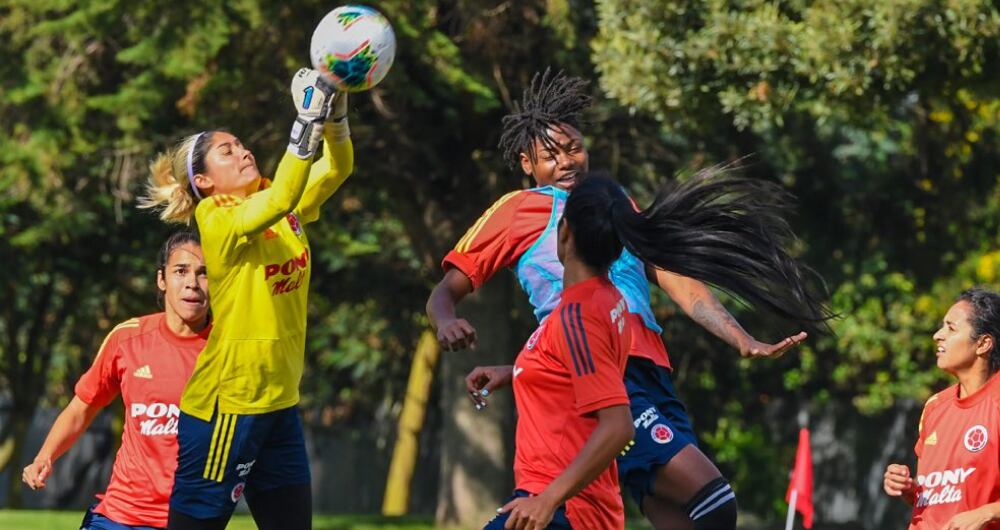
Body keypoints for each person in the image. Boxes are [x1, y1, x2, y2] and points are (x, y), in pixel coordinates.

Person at [427, 69, 830, 530]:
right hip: (607, 373)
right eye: (550, 155)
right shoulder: (515, 211)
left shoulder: (615, 203)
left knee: (681, 515)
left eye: (574, 148)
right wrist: (446, 321)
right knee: (713, 501)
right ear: (526, 164)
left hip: (651, 370)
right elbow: (447, 290)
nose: (566, 162)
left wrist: (739, 337)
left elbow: (676, 278)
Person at [139, 68, 353, 530]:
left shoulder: (279, 197)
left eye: (241, 144)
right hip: (229, 408)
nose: (243, 151)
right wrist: (306, 119)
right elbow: (281, 199)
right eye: (227, 150)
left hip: (279, 403)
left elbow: (337, 168)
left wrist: (335, 116)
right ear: (205, 181)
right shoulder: (214, 216)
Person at [471, 176, 637, 529]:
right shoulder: (607, 299)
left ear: (564, 232)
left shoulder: (578, 316)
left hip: (562, 509)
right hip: (565, 504)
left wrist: (549, 499)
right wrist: (518, 371)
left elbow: (618, 426)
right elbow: (574, 372)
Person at [21, 231, 210, 530]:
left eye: (204, 274)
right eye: (181, 271)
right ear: (161, 279)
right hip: (119, 516)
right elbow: (82, 407)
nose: (192, 283)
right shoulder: (127, 338)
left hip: (191, 518)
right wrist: (44, 457)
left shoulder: (227, 349)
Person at [883, 288, 1000, 530]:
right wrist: (909, 488)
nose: (938, 335)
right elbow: (939, 496)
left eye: (951, 328)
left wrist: (986, 513)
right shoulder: (935, 407)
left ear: (983, 344)